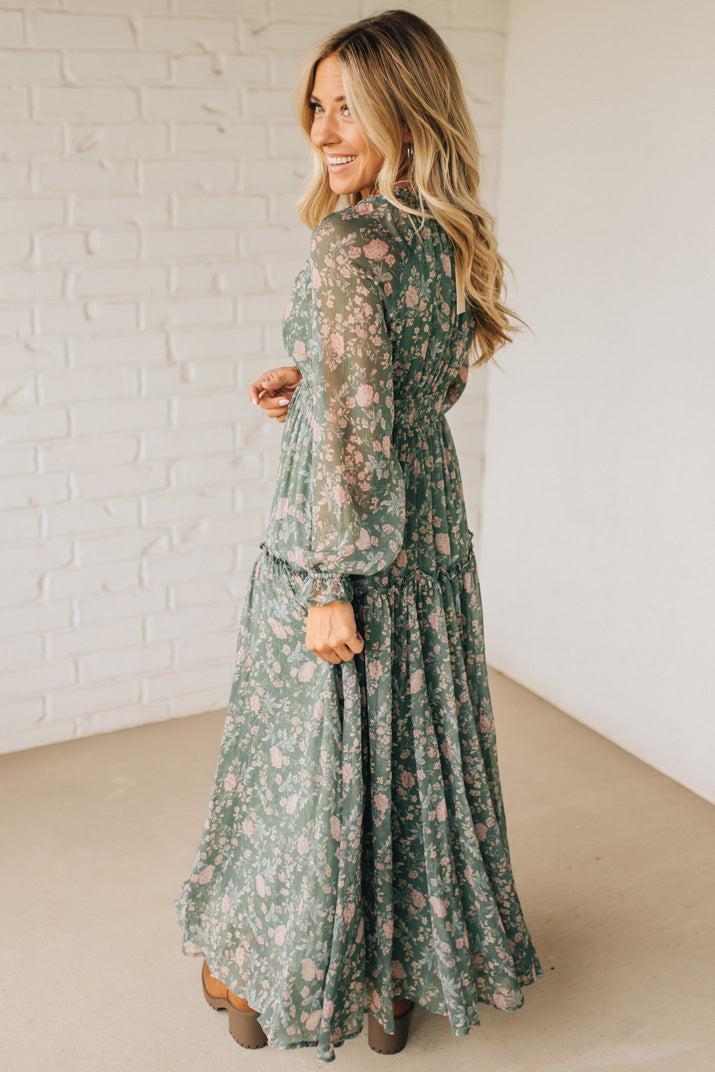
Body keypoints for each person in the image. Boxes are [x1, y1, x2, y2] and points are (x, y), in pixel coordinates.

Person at [175, 9, 544, 1063]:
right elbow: (429, 380)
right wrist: (317, 375)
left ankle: (261, 966)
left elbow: (366, 416)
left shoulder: (348, 242)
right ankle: (394, 979)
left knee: (310, 762)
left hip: (346, 539)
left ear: (408, 113)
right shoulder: (440, 234)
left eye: (351, 107)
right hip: (425, 529)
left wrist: (329, 578)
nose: (325, 130)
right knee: (405, 758)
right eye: (318, 106)